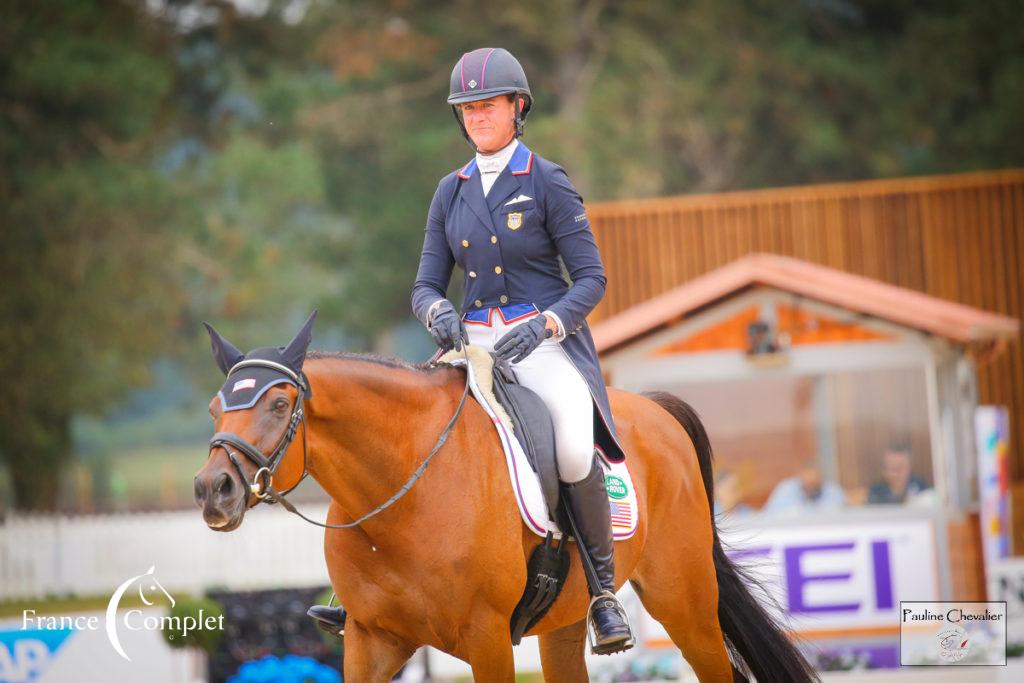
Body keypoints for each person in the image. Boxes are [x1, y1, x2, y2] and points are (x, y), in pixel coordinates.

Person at [410, 46, 633, 653]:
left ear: (517, 107)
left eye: (489, 105)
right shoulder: (448, 191)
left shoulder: (546, 179)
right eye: (468, 108)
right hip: (473, 343)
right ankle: (373, 590)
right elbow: (426, 284)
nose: (478, 116)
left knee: (567, 440)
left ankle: (604, 596)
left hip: (538, 342)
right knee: (411, 431)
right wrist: (439, 313)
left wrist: (549, 325)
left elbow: (591, 279)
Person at [762, 463, 845, 513]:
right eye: (808, 483)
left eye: (814, 483)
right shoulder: (786, 489)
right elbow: (772, 515)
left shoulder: (831, 490)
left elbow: (843, 511)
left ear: (821, 479)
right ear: (800, 476)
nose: (811, 487)